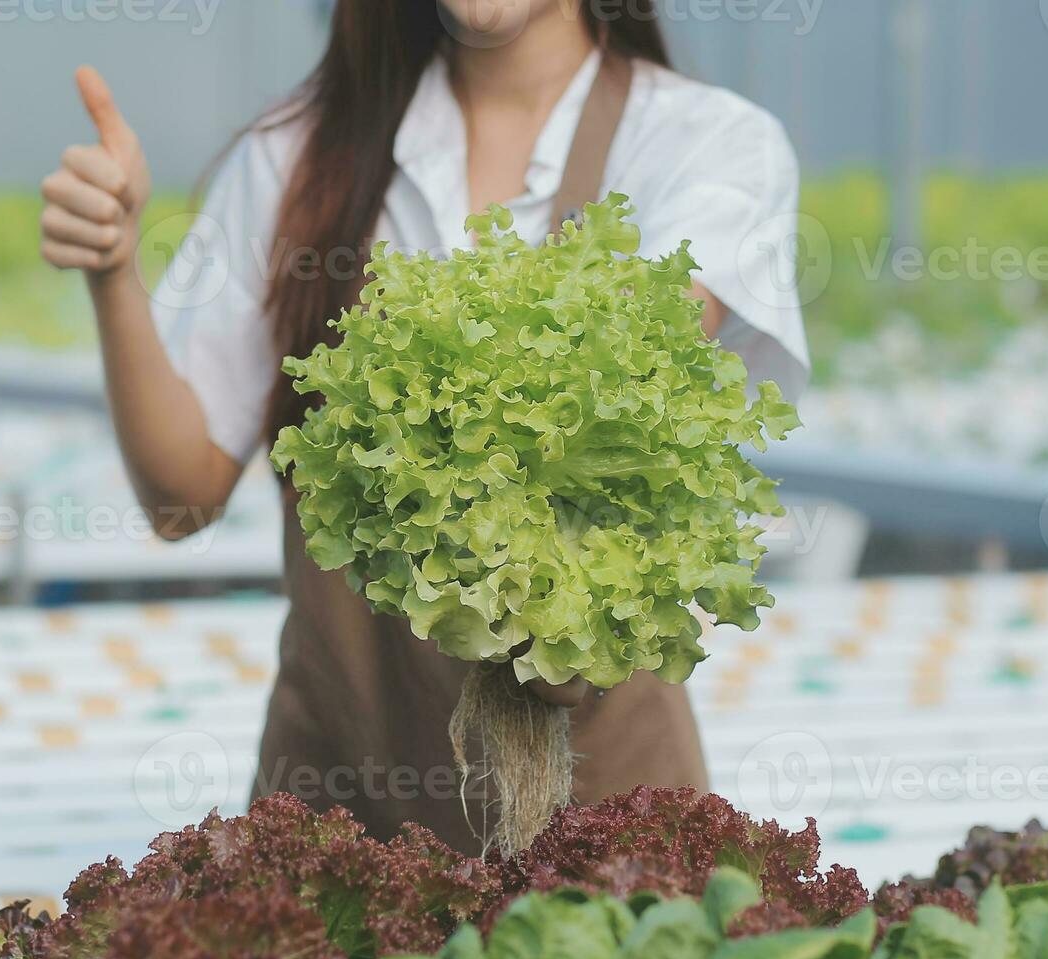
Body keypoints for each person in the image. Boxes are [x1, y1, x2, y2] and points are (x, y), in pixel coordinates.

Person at [39, 0, 810, 854]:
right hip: (346, 808)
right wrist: (113, 277)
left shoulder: (703, 145)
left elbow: (619, 376)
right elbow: (181, 498)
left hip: (608, 815)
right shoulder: (295, 156)